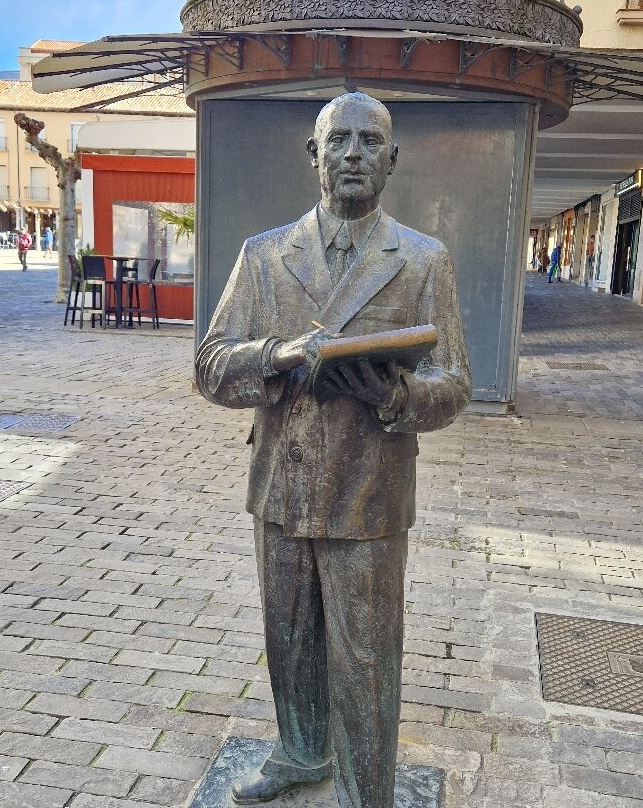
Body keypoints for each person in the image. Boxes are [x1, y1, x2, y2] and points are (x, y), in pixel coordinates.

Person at [196, 93, 471, 808]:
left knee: (364, 656)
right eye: (338, 140)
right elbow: (210, 365)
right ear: (313, 156)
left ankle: (364, 788)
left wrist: (397, 396)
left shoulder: (420, 259)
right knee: (290, 641)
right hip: (281, 485)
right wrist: (278, 354)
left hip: (369, 488)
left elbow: (456, 383)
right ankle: (298, 750)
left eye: (369, 141)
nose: (353, 152)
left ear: (390, 158)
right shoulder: (264, 256)